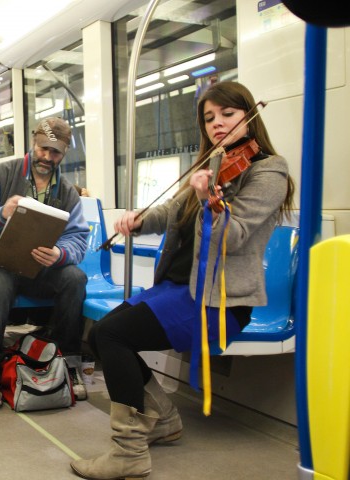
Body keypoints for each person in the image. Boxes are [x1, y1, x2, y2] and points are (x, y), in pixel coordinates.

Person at [70, 81, 295, 480]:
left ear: (248, 115)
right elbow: (171, 212)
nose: (217, 124)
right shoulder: (211, 163)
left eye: (227, 114)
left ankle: (130, 452)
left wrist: (214, 197)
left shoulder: (268, 171)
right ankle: (164, 419)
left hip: (218, 301)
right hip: (176, 289)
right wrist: (137, 220)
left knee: (112, 336)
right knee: (102, 335)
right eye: (209, 118)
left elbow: (235, 233)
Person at [0, 117, 90, 408]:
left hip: (40, 269)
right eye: (43, 149)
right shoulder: (0, 175)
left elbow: (78, 238)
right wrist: (0, 213)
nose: (47, 157)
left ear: (64, 153)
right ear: (34, 143)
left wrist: (60, 254)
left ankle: (69, 364)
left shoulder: (67, 192)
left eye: (55, 152)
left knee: (75, 279)